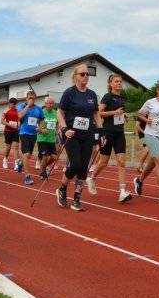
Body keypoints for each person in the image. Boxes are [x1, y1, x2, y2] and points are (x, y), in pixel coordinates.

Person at [55, 64, 105, 211]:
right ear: (75, 76)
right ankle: (62, 188)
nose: (86, 76)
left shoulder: (92, 95)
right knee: (76, 164)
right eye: (82, 74)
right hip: (72, 134)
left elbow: (95, 114)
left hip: (87, 135)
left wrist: (101, 132)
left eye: (87, 74)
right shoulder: (69, 93)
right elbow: (60, 112)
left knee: (84, 168)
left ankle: (76, 199)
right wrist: (64, 129)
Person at [87, 74, 133, 203]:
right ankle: (92, 178)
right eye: (116, 81)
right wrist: (114, 113)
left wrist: (123, 115)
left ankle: (122, 191)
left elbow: (119, 113)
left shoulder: (122, 97)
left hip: (119, 133)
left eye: (120, 81)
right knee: (104, 162)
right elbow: (98, 113)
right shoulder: (107, 97)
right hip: (107, 133)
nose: (119, 83)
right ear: (111, 84)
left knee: (121, 162)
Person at [16, 90, 45, 185]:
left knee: (28, 155)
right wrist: (28, 105)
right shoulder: (22, 106)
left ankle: (20, 163)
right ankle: (27, 177)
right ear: (26, 98)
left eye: (33, 98)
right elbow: (20, 115)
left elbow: (42, 119)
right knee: (26, 154)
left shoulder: (38, 108)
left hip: (33, 134)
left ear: (35, 99)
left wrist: (40, 127)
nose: (31, 99)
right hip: (24, 132)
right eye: (29, 98)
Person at [36, 96, 58, 180]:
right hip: (42, 139)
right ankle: (43, 173)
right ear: (45, 104)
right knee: (45, 157)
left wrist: (58, 130)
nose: (52, 105)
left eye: (53, 103)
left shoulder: (56, 112)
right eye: (50, 103)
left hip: (52, 139)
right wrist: (41, 130)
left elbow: (58, 123)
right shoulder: (40, 113)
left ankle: (44, 167)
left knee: (54, 157)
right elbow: (35, 126)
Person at [1, 98, 20, 169]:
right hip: (8, 131)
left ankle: (16, 163)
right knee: (8, 147)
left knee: (16, 147)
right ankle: (5, 159)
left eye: (15, 104)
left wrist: (19, 125)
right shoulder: (5, 111)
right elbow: (2, 121)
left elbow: (20, 119)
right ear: (9, 103)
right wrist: (10, 125)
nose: (13, 106)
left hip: (16, 130)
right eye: (12, 104)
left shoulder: (18, 110)